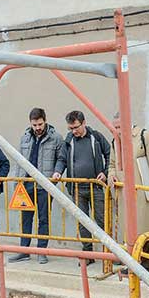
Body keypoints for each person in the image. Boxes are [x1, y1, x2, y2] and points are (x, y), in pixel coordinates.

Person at [108, 113, 149, 274]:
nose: (117, 130)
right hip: (125, 191)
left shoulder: (143, 136)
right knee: (130, 228)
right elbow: (112, 163)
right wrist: (111, 174)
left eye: (119, 127)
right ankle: (133, 263)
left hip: (143, 190)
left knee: (146, 227)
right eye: (115, 127)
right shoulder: (115, 142)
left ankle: (146, 265)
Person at [52, 110, 111, 261]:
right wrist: (58, 172)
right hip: (77, 189)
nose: (73, 131)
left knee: (102, 220)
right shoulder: (69, 140)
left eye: (76, 127)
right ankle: (88, 254)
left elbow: (110, 154)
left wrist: (105, 173)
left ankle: (109, 254)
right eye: (70, 128)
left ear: (84, 123)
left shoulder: (96, 137)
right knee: (82, 222)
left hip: (96, 187)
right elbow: (62, 159)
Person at [9, 108, 64, 264]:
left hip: (44, 185)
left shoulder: (56, 138)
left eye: (40, 124)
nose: (37, 128)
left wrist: (57, 173)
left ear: (45, 121)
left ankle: (41, 251)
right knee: (25, 219)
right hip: (26, 184)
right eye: (34, 125)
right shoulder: (25, 138)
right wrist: (17, 182)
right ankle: (24, 251)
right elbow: (19, 161)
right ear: (30, 123)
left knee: (43, 219)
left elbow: (61, 159)